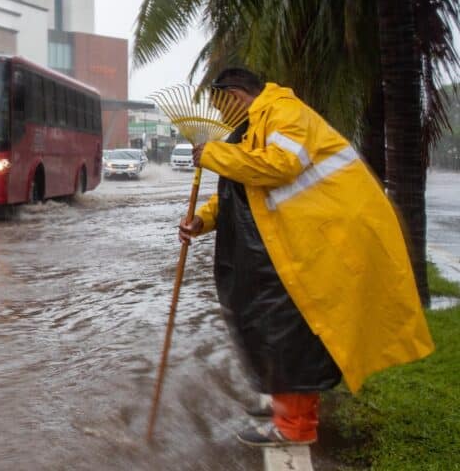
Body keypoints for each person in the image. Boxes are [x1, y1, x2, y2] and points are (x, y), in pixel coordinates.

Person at [178, 67, 434, 448]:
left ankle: (295, 427)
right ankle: (285, 406)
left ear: (235, 94)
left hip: (316, 246)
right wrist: (204, 219)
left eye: (220, 105)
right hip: (288, 245)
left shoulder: (285, 114)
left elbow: (280, 166)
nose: (219, 116)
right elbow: (244, 187)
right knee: (273, 328)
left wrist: (215, 154)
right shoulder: (253, 126)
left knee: (288, 334)